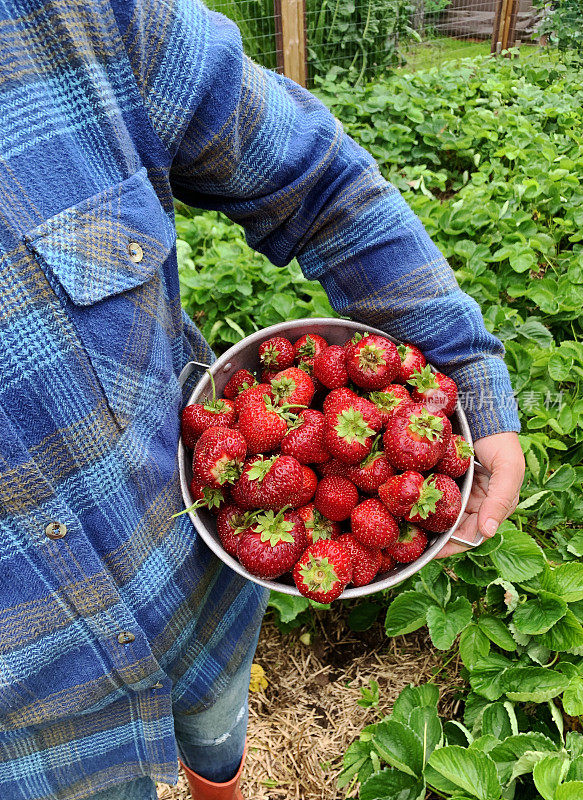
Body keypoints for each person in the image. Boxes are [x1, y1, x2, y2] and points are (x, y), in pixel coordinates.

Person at [0, 0, 525, 798]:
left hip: (201, 590)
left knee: (218, 742)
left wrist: (466, 376)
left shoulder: (77, 16)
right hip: (33, 733)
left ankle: (220, 781)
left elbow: (318, 181)